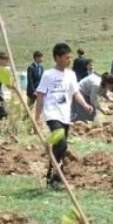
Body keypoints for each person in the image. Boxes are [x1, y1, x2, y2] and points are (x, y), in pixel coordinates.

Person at [34, 42, 92, 190]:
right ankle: (56, 176)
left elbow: (75, 92)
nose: (69, 60)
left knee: (60, 149)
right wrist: (37, 117)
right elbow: (40, 96)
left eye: (70, 57)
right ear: (58, 58)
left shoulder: (71, 75)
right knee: (62, 144)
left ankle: (52, 178)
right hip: (52, 114)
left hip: (65, 115)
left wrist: (85, 105)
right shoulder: (48, 75)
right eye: (67, 57)